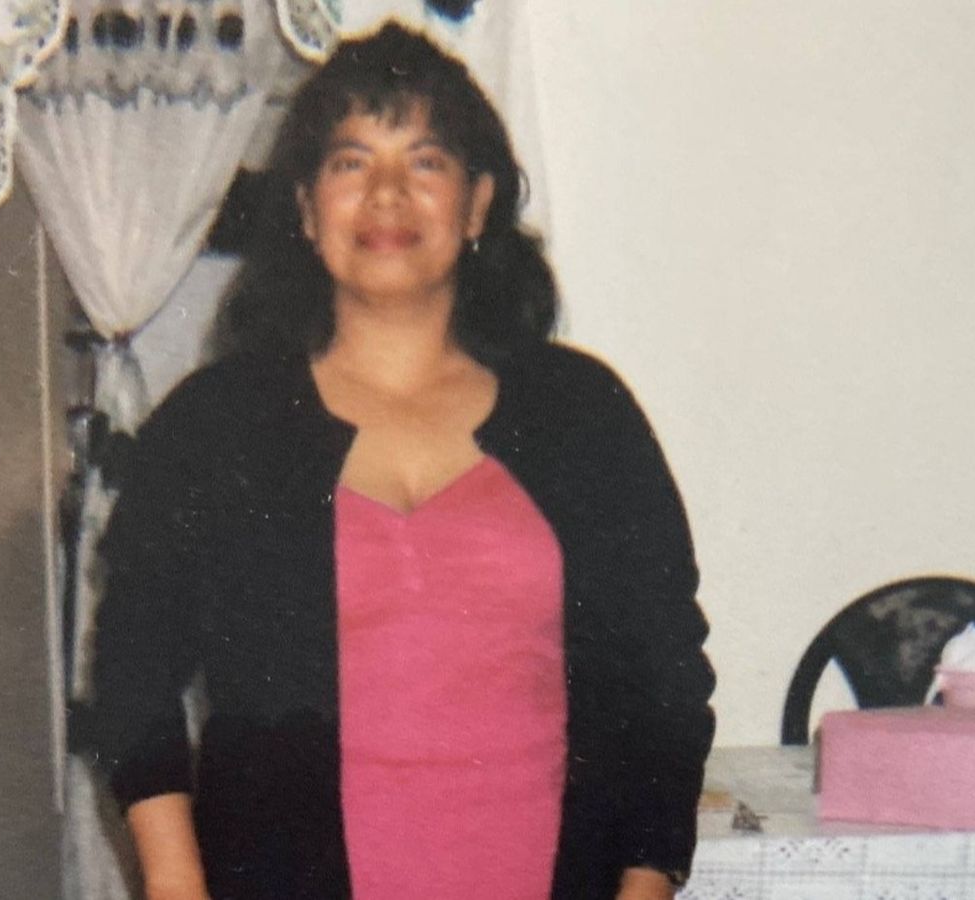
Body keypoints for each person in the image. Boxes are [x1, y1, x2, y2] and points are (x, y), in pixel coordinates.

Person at [90, 20, 715, 900]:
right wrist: (174, 881)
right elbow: (134, 669)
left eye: (425, 162)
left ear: (477, 205)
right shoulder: (214, 425)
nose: (387, 194)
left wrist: (645, 883)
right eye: (351, 163)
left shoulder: (582, 414)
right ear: (306, 208)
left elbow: (665, 674)